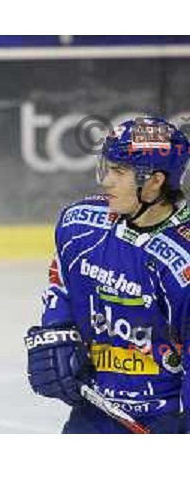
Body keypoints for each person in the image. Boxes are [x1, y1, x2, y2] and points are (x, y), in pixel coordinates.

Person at [26, 116, 190, 433]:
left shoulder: (181, 264)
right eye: (107, 168)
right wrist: (57, 334)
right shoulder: (79, 226)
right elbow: (62, 286)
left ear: (155, 181)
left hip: (167, 421)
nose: (106, 181)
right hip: (96, 414)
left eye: (119, 172)